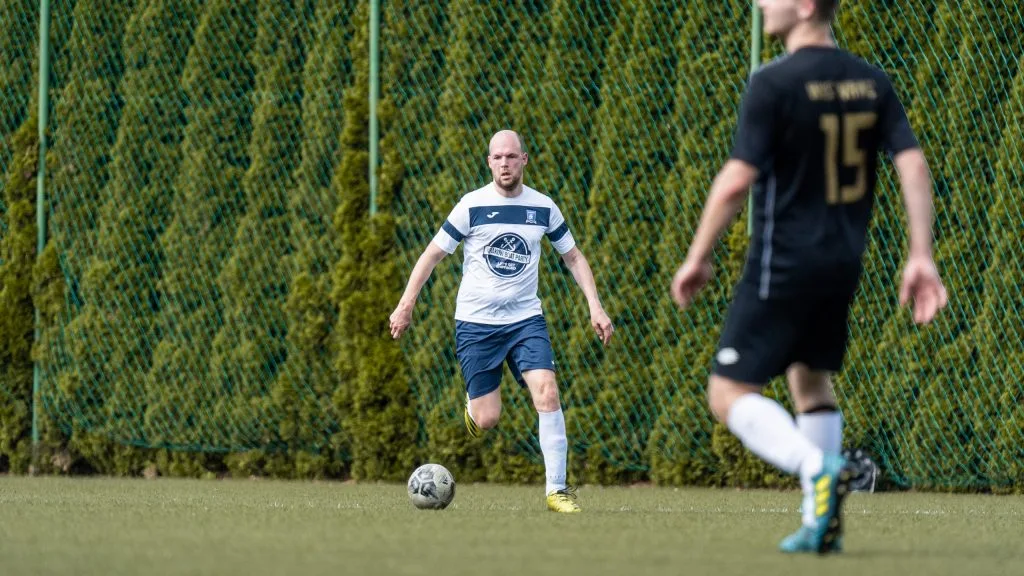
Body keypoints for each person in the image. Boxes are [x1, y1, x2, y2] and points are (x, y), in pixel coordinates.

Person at [670, 0, 948, 554]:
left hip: (783, 265)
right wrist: (921, 253)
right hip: (841, 265)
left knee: (727, 393)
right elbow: (912, 163)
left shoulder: (772, 82)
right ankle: (821, 522)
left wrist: (698, 255)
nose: (760, 4)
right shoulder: (871, 80)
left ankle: (816, 465)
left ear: (802, 7)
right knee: (811, 382)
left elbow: (734, 181)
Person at [390, 130, 614, 513]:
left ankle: (556, 491)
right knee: (488, 417)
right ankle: (475, 407)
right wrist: (405, 304)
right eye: (498, 157)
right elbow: (431, 256)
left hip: (526, 320)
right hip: (476, 324)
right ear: (489, 162)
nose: (505, 164)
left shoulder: (543, 207)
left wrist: (595, 305)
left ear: (525, 159)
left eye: (512, 156)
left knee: (547, 391)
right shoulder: (471, 206)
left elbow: (573, 257)